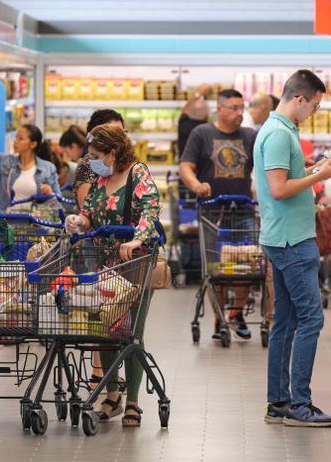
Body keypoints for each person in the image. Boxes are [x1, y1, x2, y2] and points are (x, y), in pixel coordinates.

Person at [254, 69, 331, 428]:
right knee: (311, 318)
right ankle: (299, 404)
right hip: (291, 241)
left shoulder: (283, 130)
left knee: (286, 322)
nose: (314, 112)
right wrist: (319, 177)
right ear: (299, 99)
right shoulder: (277, 134)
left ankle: (278, 402)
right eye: (315, 106)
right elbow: (278, 189)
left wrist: (310, 166)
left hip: (284, 237)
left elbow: (286, 173)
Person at [64, 124, 161, 427]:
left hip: (134, 264)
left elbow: (150, 211)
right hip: (103, 265)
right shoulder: (100, 178)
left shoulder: (138, 173)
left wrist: (136, 239)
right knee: (104, 332)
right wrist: (79, 221)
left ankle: (132, 402)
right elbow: (90, 213)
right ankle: (112, 396)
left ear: (113, 152)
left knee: (131, 334)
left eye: (95, 156)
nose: (90, 161)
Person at [180, 89, 257, 341]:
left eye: (241, 107)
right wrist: (196, 185)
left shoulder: (250, 136)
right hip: (212, 212)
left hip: (244, 209)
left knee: (247, 267)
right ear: (219, 108)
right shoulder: (202, 133)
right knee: (217, 270)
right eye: (233, 108)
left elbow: (268, 166)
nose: (239, 113)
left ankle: (235, 313)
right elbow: (186, 166)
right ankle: (219, 318)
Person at [0, 124, 62, 212]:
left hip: (35, 223)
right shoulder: (6, 162)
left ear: (33, 144)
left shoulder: (48, 169)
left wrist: (50, 194)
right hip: (5, 222)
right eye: (16, 137)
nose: (15, 141)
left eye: (20, 138)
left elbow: (59, 204)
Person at [72, 109, 125, 208]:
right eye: (115, 134)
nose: (122, 139)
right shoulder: (87, 165)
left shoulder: (124, 162)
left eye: (123, 133)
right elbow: (86, 209)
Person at [177, 83, 211, 158]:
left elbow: (185, 108)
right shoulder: (201, 127)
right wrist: (199, 93)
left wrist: (198, 93)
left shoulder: (184, 121)